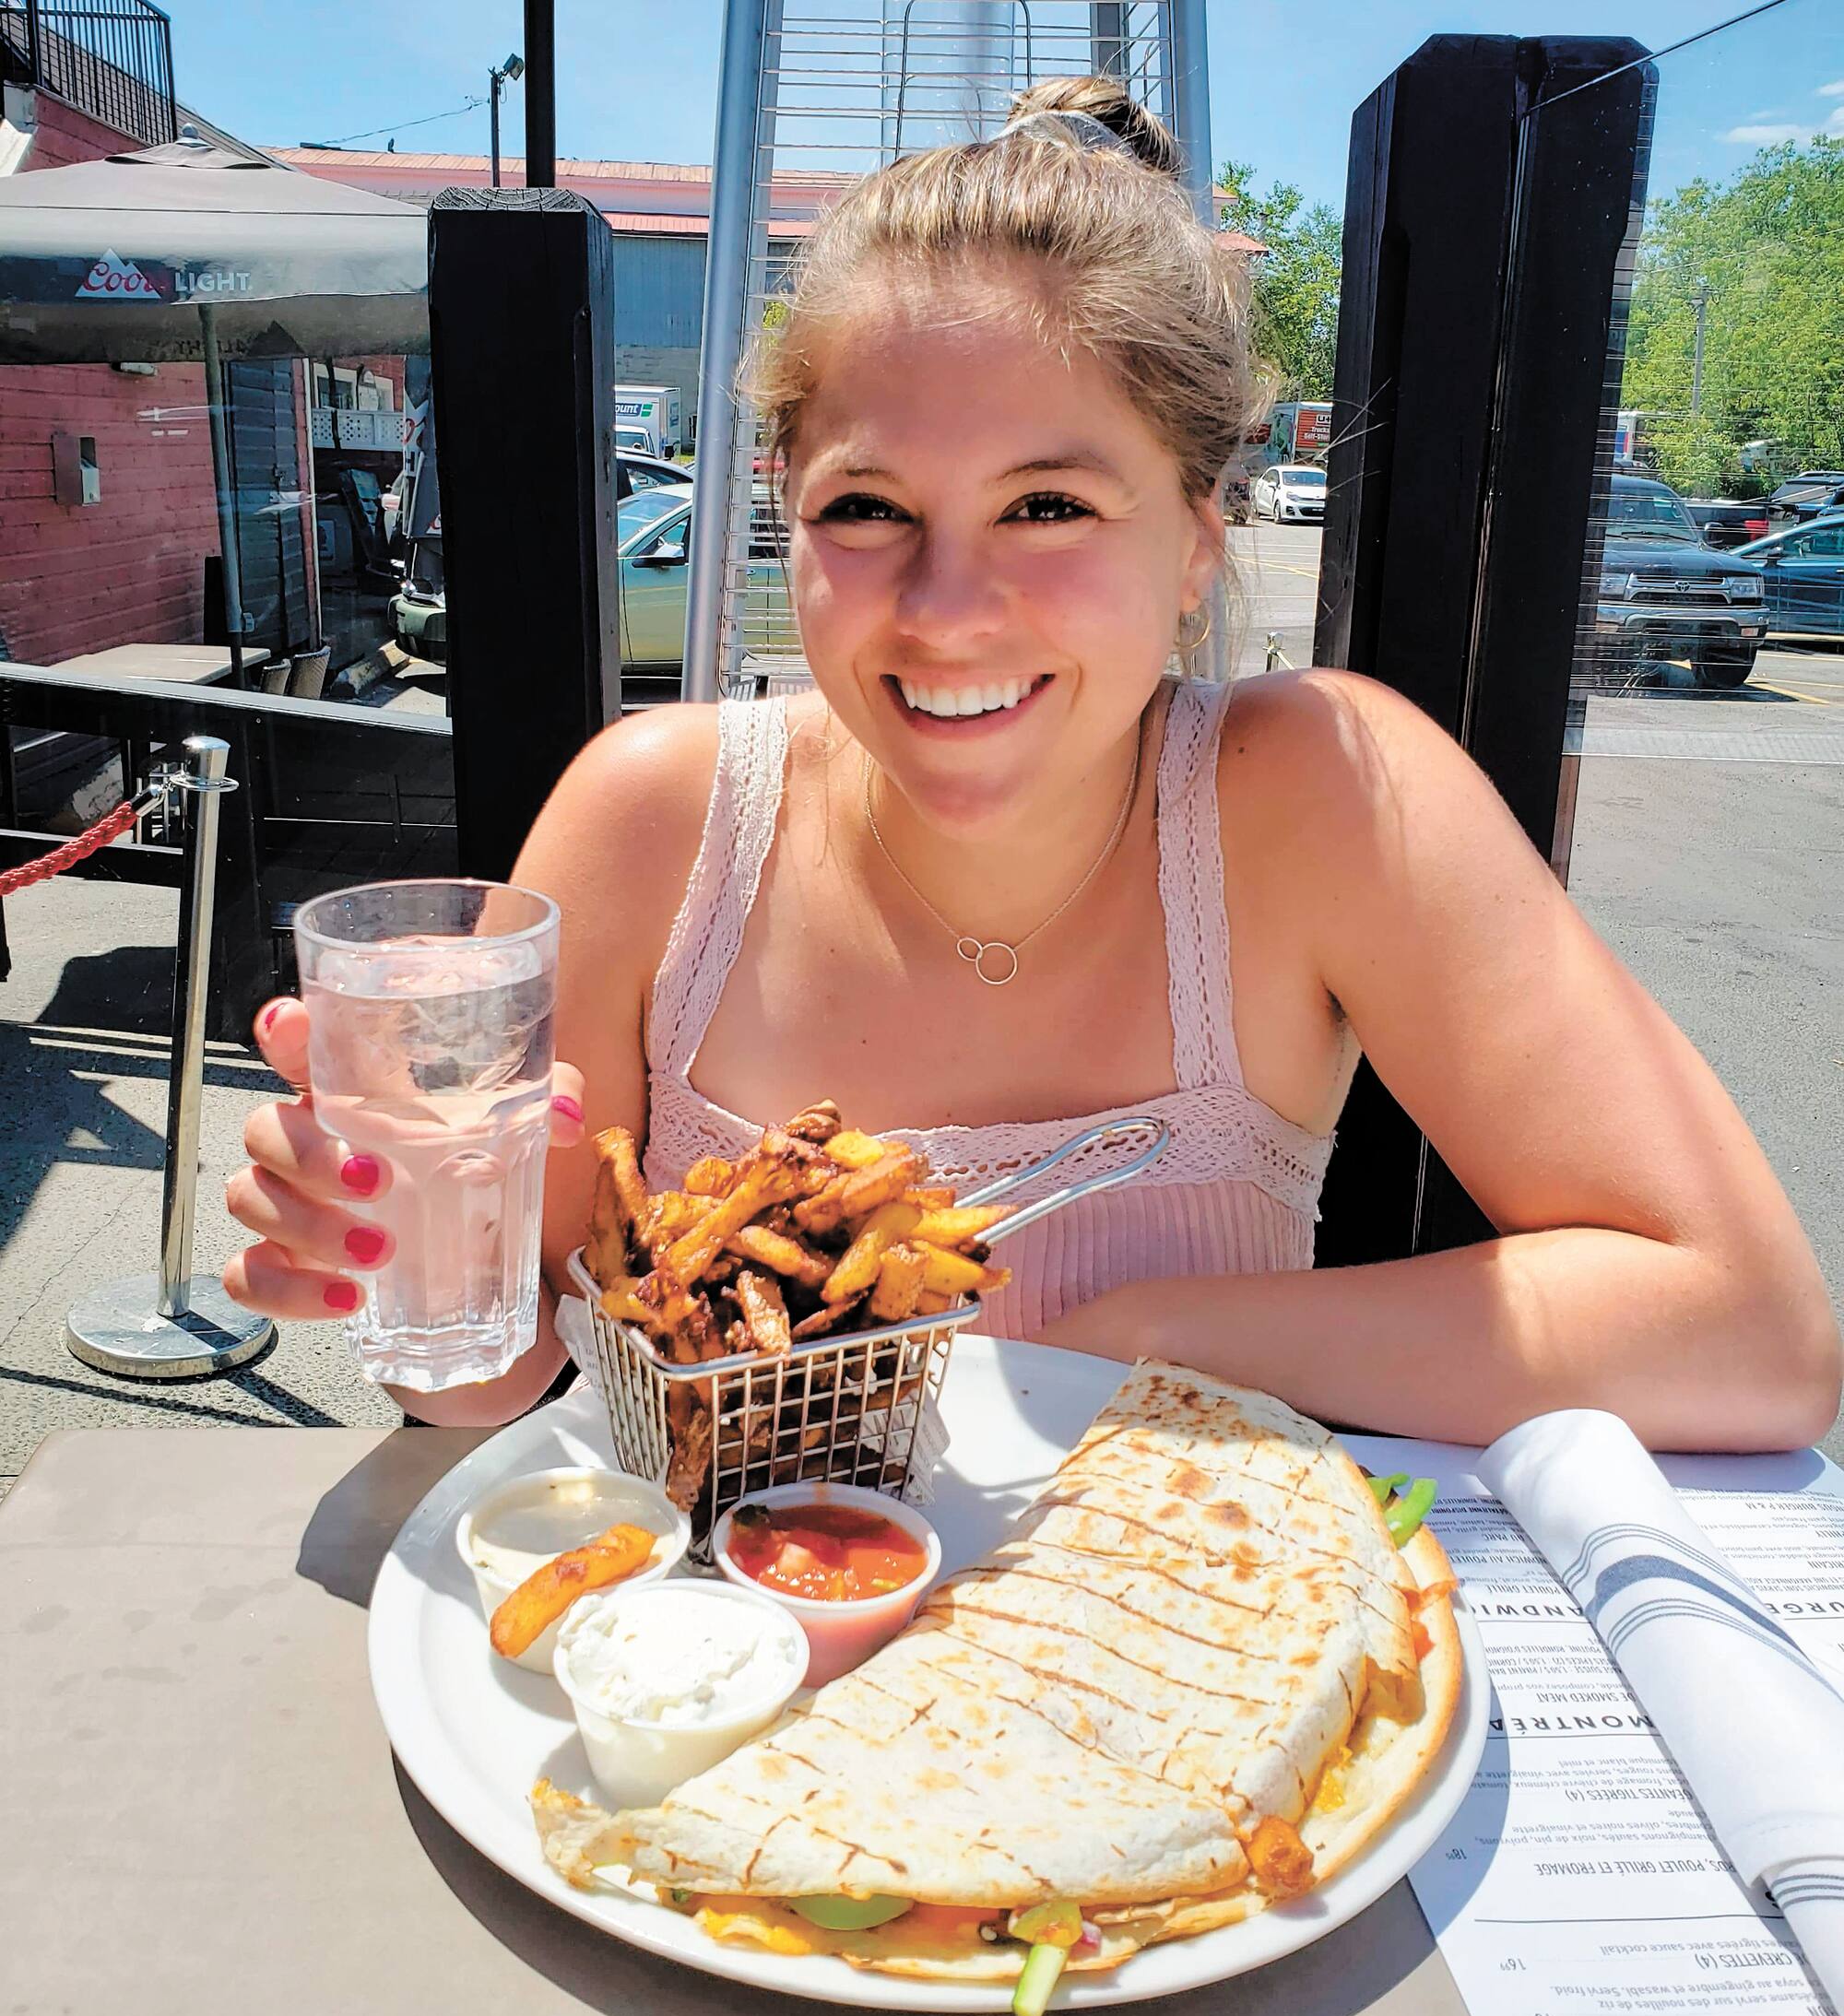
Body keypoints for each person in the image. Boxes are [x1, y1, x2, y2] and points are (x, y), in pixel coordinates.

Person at [223, 77, 1838, 1452]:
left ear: (1199, 537)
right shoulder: (654, 817)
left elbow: (1747, 1333)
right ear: (788, 509)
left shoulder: (1320, 797)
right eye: (869, 508)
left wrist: (1128, 1338)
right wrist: (376, 1242)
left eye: (1050, 506)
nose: (946, 610)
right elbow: (502, 1379)